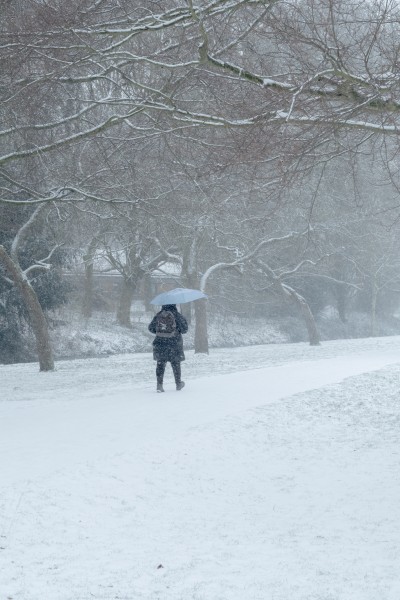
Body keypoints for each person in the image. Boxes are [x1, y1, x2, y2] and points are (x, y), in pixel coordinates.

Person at [148, 304, 188, 392]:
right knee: (176, 364)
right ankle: (178, 384)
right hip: (175, 344)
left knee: (160, 364)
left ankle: (159, 385)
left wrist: (161, 331)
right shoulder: (177, 315)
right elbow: (185, 330)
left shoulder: (159, 315)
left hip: (160, 343)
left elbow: (150, 328)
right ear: (174, 305)